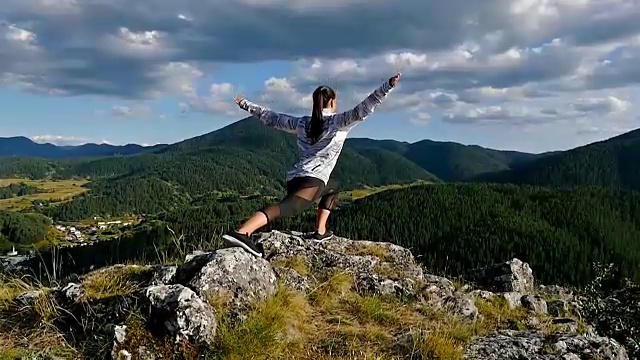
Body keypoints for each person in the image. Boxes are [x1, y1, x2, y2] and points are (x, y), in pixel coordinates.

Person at [222, 72, 401, 257]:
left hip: (296, 178)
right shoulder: (338, 122)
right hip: (312, 181)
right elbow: (365, 107)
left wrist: (245, 104)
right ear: (332, 102)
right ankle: (242, 232)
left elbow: (271, 117)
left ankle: (320, 232)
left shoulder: (302, 123)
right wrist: (387, 86)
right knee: (286, 208)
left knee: (334, 186)